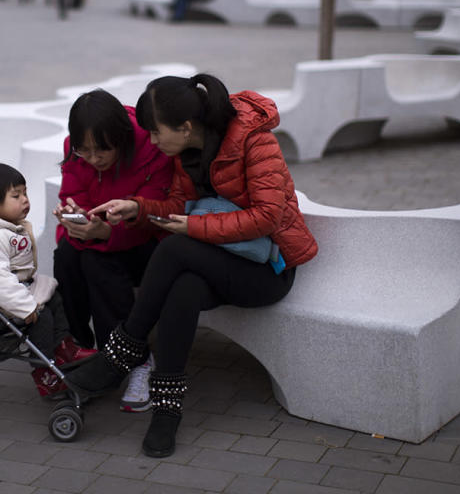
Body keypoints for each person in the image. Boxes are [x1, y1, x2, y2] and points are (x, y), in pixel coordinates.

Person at [65, 73, 318, 457]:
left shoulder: (255, 139)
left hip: (267, 269)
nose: (150, 141)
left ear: (184, 127)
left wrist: (194, 226)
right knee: (181, 290)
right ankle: (167, 411)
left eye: (155, 133)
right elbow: (177, 208)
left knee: (174, 250)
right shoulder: (186, 154)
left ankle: (121, 352)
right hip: (220, 260)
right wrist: (136, 207)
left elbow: (268, 216)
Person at [52, 90, 174, 412]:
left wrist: (107, 232)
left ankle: (133, 358)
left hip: (148, 244)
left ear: (121, 138)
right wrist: (72, 217)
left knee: (96, 259)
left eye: (102, 149)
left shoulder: (152, 148)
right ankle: (78, 347)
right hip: (99, 237)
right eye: (84, 150)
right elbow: (73, 194)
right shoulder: (73, 151)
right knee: (66, 255)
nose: (93, 159)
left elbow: (154, 217)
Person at [0, 163, 96, 398]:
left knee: (55, 295)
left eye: (25, 193)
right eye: (16, 195)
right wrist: (24, 306)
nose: (25, 200)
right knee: (42, 316)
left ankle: (63, 347)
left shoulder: (1, 226)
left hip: (16, 287)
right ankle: (44, 371)